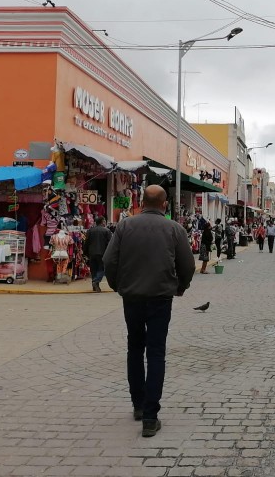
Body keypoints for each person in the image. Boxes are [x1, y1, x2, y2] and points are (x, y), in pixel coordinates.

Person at [104, 185, 194, 438]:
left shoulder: (124, 226)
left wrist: (117, 285)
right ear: (165, 204)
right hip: (160, 298)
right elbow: (187, 264)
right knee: (156, 353)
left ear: (142, 202)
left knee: (135, 348)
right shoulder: (174, 229)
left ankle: (139, 405)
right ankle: (151, 418)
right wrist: (181, 287)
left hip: (131, 297)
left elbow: (109, 260)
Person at [84, 215, 112, 292]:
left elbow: (86, 243)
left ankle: (95, 285)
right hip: (103, 253)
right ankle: (96, 281)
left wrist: (85, 252)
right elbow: (110, 244)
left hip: (92, 253)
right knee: (102, 269)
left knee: (94, 269)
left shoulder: (90, 231)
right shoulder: (107, 231)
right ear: (103, 222)